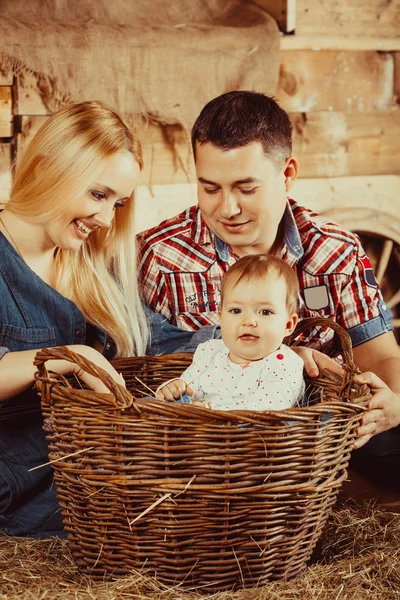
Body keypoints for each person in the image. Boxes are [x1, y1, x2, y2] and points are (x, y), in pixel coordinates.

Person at [138, 91, 400, 492]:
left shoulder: (336, 250)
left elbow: (379, 352)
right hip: (207, 449)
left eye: (246, 188)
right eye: (210, 188)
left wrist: (390, 403)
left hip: (318, 439)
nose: (227, 209)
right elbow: (135, 367)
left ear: (288, 173)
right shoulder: (161, 255)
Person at [0, 101, 151, 538]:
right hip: (14, 484)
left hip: (80, 477)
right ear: (49, 168)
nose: (106, 219)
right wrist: (67, 354)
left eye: (118, 203)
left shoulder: (89, 263)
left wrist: (277, 350)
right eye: (98, 194)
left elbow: (160, 337)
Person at [157, 254, 305, 411]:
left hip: (251, 432)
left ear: (288, 324)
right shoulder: (210, 352)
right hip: (197, 430)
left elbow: (267, 409)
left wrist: (210, 408)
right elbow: (189, 390)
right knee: (152, 406)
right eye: (236, 310)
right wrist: (174, 388)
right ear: (221, 318)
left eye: (265, 312)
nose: (248, 321)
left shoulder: (284, 364)